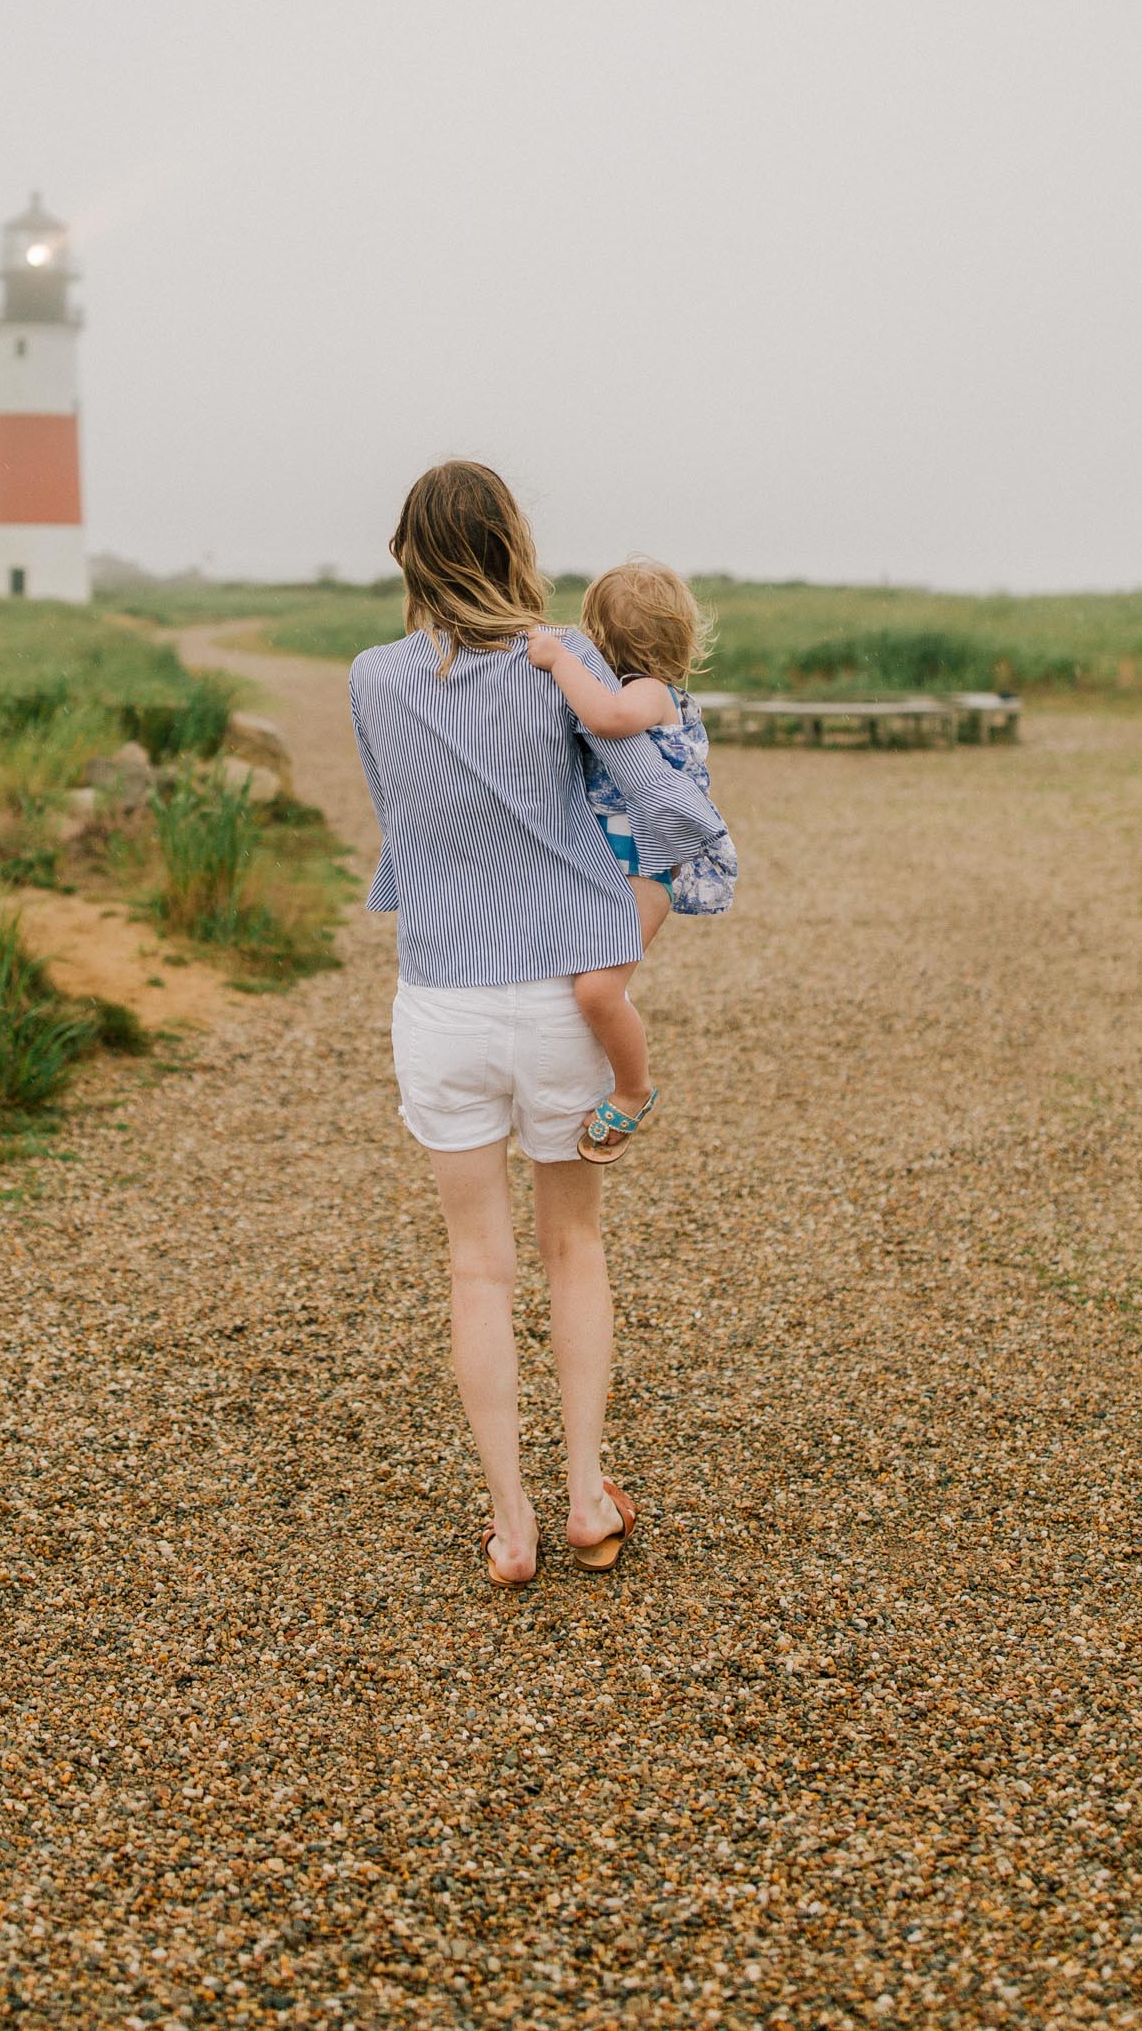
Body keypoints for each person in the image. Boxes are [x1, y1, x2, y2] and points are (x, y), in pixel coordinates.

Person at [348, 461, 728, 1586]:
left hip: (443, 1002)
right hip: (562, 997)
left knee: (477, 1268)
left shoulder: (372, 677)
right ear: (514, 539)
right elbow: (673, 810)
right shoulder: (568, 660)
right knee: (573, 1248)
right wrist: (648, 884)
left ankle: (508, 1525)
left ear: (408, 557)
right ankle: (584, 1500)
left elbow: (401, 824)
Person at [526, 557, 738, 1163]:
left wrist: (561, 660)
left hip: (648, 870)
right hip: (607, 865)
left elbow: (607, 718)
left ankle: (633, 1086)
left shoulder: (647, 692)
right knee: (573, 976)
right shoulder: (620, 686)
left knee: (597, 990)